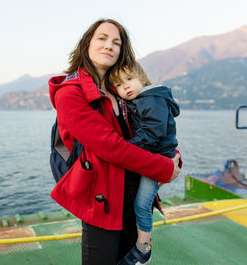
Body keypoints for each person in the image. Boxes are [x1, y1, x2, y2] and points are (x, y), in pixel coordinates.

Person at [48, 18, 181, 265]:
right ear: (87, 43)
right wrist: (165, 168)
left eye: (116, 42)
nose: (109, 45)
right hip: (103, 199)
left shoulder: (122, 89)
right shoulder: (70, 93)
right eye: (102, 38)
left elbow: (155, 126)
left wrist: (174, 157)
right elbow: (110, 147)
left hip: (133, 191)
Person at [108, 62, 180, 264]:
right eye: (120, 85)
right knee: (138, 202)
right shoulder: (143, 100)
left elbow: (152, 132)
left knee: (142, 204)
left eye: (129, 80)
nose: (126, 87)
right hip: (151, 156)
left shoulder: (152, 100)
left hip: (157, 159)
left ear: (143, 79)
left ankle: (143, 249)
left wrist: (125, 148)